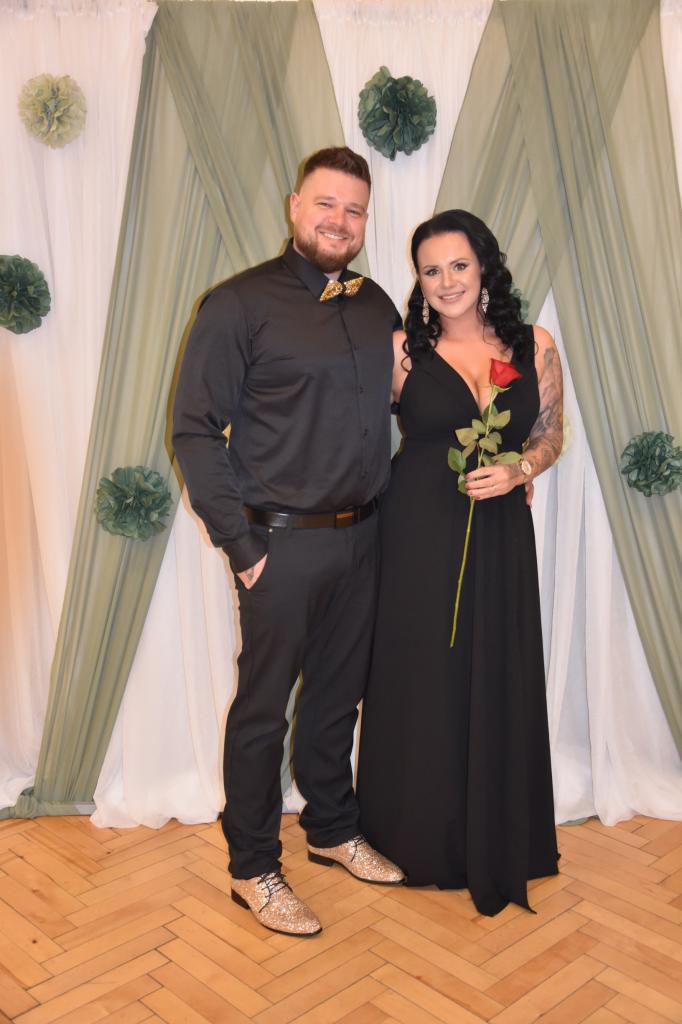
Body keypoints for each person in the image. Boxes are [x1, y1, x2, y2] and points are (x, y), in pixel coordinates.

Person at [172, 147, 405, 938]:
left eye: (354, 209)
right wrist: (241, 546)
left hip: (364, 538)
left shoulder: (376, 306)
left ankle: (332, 828)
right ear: (294, 207)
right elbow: (194, 429)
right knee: (264, 712)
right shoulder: (239, 304)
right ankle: (252, 868)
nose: (340, 221)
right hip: (279, 547)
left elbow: (410, 400)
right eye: (325, 204)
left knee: (339, 697)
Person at [357, 209, 562, 917]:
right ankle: (412, 837)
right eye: (430, 270)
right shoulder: (400, 352)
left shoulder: (534, 345)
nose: (446, 281)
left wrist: (520, 469)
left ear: (485, 268)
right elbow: (351, 432)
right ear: (417, 279)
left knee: (496, 664)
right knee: (420, 673)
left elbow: (549, 433)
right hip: (416, 531)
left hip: (500, 530)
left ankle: (499, 833)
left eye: (459, 265)